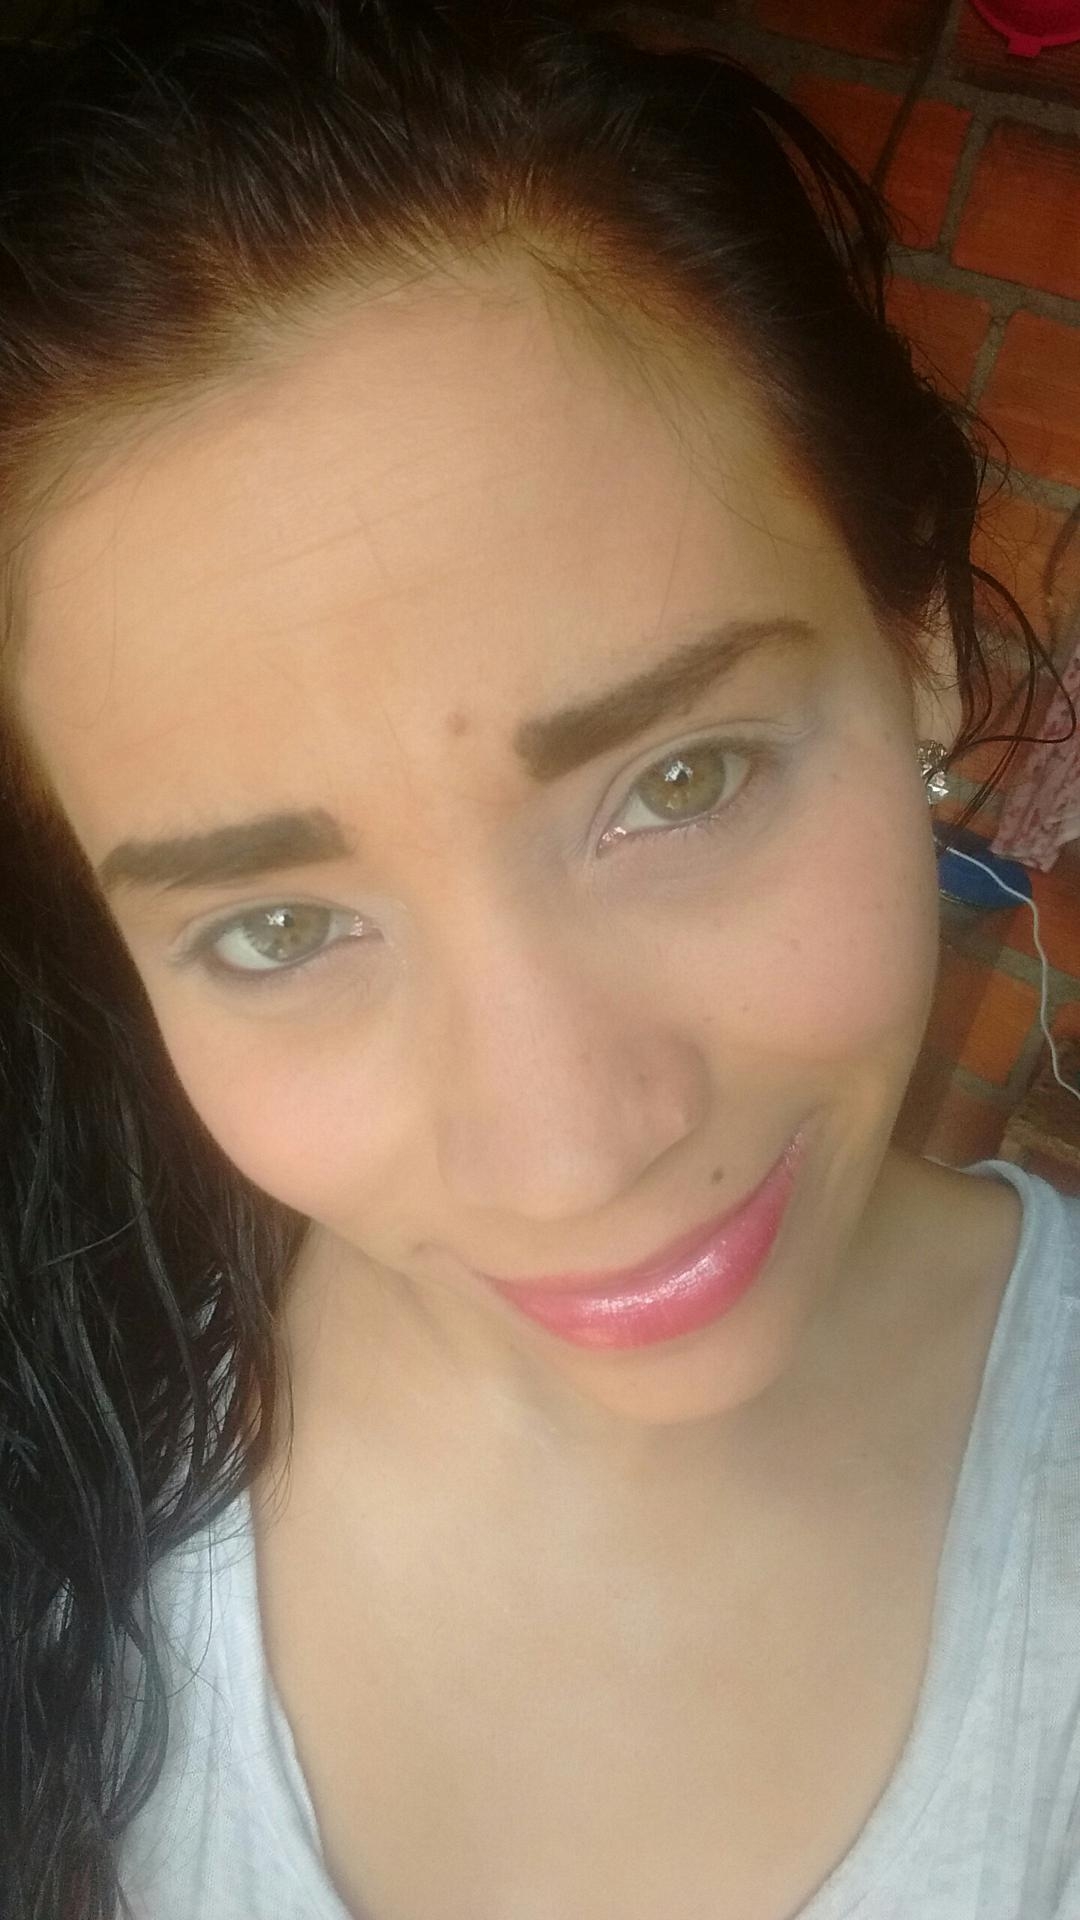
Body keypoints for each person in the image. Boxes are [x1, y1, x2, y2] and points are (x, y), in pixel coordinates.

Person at [1, 2, 1078, 1916]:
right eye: (275, 927)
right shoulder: (65, 1466)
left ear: (920, 642)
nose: (569, 1153)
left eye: (682, 780)